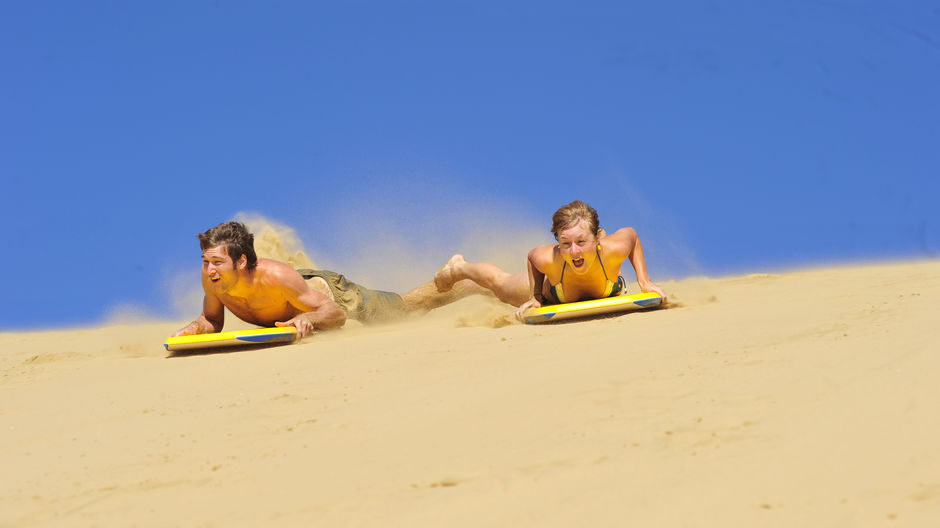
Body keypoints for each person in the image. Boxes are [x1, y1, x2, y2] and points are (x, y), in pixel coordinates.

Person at [173, 221, 485, 338]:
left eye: (216, 262)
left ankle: (467, 281)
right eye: (205, 262)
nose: (209, 269)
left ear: (241, 261)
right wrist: (195, 327)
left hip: (331, 294)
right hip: (300, 294)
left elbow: (335, 315)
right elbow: (212, 320)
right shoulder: (212, 280)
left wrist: (308, 318)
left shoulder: (277, 278)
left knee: (405, 309)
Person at [433, 200, 667, 321]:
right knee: (502, 287)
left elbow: (633, 237)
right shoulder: (550, 258)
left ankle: (590, 241)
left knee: (597, 254)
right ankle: (458, 267)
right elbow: (532, 256)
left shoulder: (615, 247)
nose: (573, 252)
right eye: (565, 243)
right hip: (553, 291)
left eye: (580, 242)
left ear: (597, 238)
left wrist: (644, 281)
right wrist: (534, 298)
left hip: (605, 274)